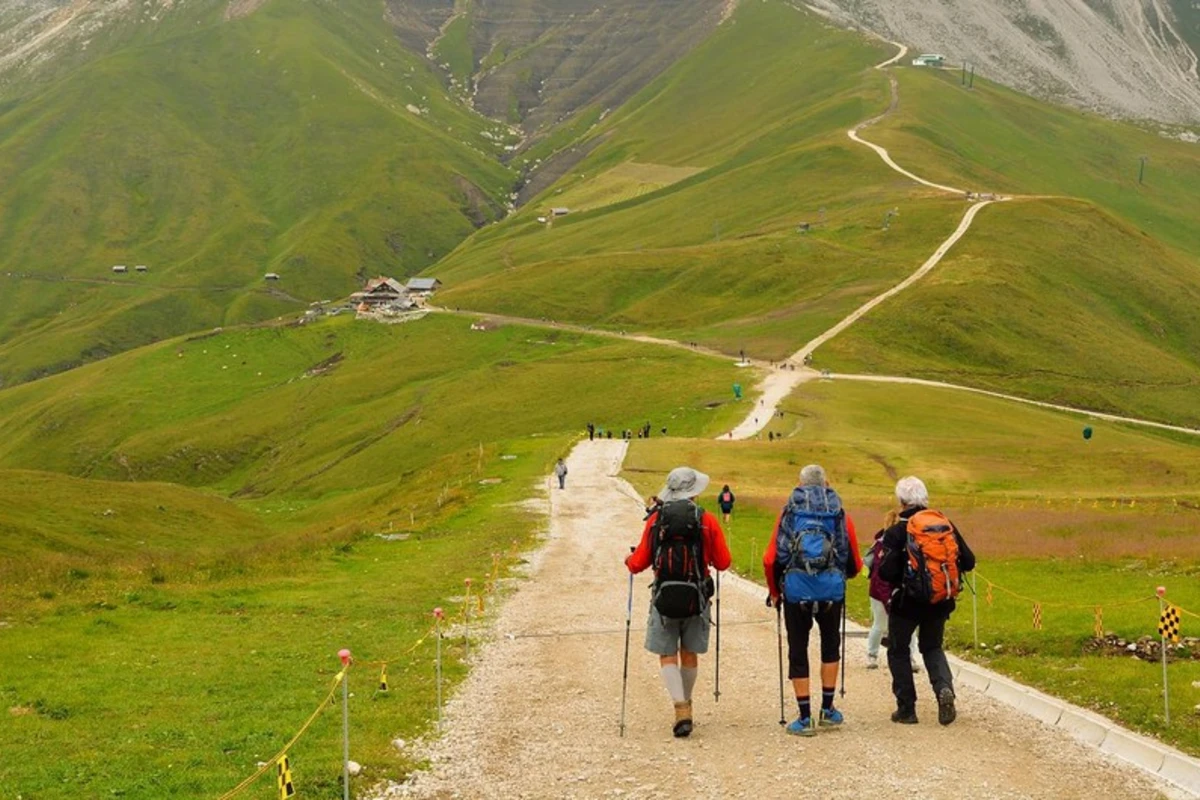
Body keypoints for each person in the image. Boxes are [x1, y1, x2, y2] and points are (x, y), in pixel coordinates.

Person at [626, 467, 731, 738]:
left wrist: (629, 560)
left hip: (664, 596)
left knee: (667, 653)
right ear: (694, 491)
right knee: (689, 653)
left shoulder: (656, 520)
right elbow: (723, 562)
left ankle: (680, 707)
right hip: (697, 596)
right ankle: (687, 704)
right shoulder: (706, 519)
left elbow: (639, 562)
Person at [763, 464, 862, 736]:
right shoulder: (838, 512)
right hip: (831, 589)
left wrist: (775, 590)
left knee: (798, 649)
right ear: (826, 483)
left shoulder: (790, 512)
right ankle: (828, 710)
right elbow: (852, 558)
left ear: (800, 483)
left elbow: (773, 558)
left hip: (796, 590)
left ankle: (804, 718)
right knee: (830, 646)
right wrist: (843, 575)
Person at [878, 476, 976, 726]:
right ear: (925, 499)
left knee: (898, 650)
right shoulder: (944, 525)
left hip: (906, 603)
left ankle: (907, 709)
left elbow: (885, 573)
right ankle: (944, 689)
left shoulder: (897, 531)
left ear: (901, 501)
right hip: (940, 599)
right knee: (932, 647)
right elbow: (969, 561)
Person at [863, 510, 920, 673]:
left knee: (891, 625)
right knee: (884, 624)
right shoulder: (885, 545)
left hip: (893, 591)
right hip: (880, 592)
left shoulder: (894, 544)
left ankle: (906, 657)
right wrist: (887, 598)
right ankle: (874, 654)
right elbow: (879, 576)